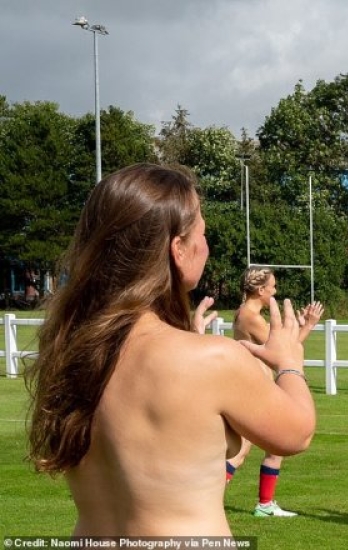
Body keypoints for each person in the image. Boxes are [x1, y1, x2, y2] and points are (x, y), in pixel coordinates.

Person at [24, 163, 316, 536]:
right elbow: (296, 433)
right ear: (178, 249)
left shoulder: (69, 349)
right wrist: (290, 362)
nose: (206, 246)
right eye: (203, 233)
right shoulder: (212, 359)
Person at [226, 266, 324, 517]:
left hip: (258, 387)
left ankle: (265, 504)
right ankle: (208, 502)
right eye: (273, 286)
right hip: (256, 390)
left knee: (271, 448)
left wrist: (298, 325)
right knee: (240, 452)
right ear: (261, 290)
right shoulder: (251, 317)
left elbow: (281, 344)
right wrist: (309, 325)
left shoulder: (244, 313)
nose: (275, 291)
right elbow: (284, 352)